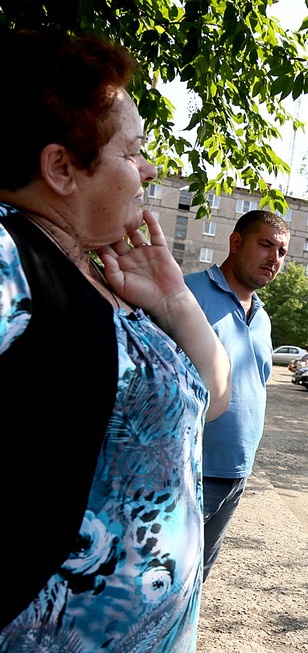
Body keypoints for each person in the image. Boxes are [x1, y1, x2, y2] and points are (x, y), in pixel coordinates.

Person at [0, 30, 231, 651]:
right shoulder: (12, 256)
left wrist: (173, 302)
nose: (150, 168)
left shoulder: (98, 272)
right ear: (61, 168)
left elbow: (208, 398)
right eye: (133, 153)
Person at [184, 210, 290, 580]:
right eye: (265, 245)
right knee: (165, 578)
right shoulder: (187, 294)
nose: (273, 259)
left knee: (198, 579)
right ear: (236, 242)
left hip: (236, 474)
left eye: (281, 252)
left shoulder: (262, 316)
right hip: (189, 470)